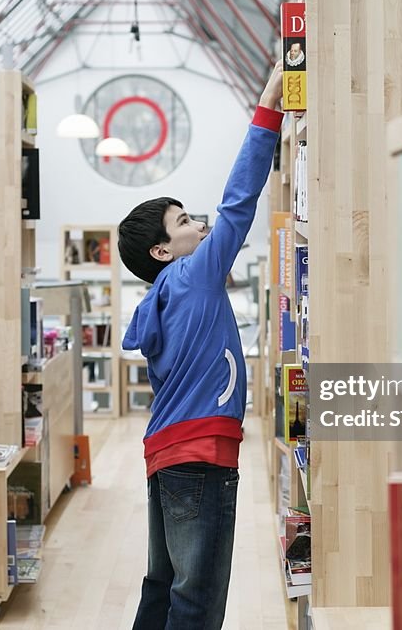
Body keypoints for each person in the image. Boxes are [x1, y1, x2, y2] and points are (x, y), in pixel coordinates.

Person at [118, 61, 284, 630]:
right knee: (199, 601)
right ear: (164, 250)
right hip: (202, 458)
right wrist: (270, 105)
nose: (200, 224)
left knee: (162, 589)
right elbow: (241, 199)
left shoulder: (159, 298)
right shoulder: (196, 273)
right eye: (185, 221)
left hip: (163, 454)